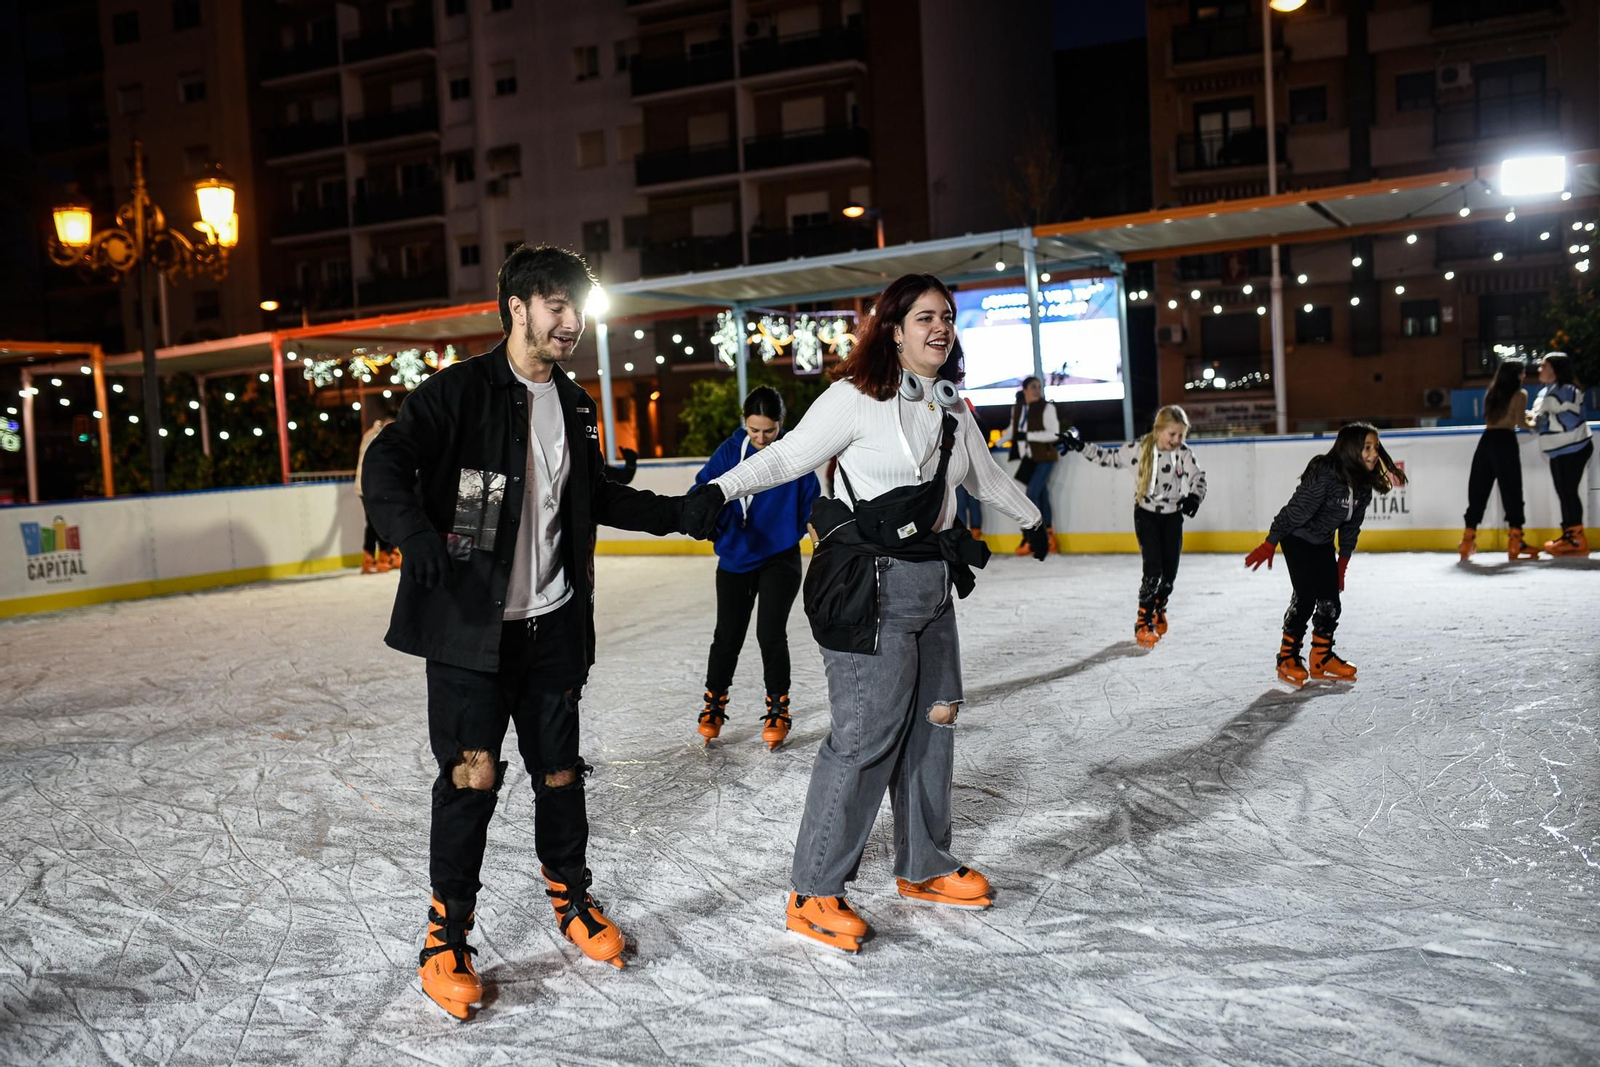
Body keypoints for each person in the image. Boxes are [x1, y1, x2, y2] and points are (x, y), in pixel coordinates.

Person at [362, 245, 694, 1019]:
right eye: (555, 304)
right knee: (471, 777)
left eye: (578, 307)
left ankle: (571, 896)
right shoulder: (458, 393)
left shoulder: (573, 405)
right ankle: (446, 934)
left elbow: (598, 494)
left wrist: (680, 512)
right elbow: (386, 464)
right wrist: (413, 534)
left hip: (552, 628)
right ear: (516, 307)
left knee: (561, 774)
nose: (570, 321)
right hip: (471, 637)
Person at [680, 273, 1050, 953]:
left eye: (946, 316)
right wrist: (719, 490)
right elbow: (788, 455)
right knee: (864, 735)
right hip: (868, 588)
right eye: (924, 317)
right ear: (894, 329)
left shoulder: (950, 406)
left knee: (935, 720)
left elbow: (985, 476)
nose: (940, 328)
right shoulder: (854, 397)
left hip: (933, 584)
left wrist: (1032, 518)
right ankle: (813, 890)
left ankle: (925, 865)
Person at [693, 386, 820, 749]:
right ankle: (714, 705)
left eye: (770, 430)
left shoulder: (795, 454)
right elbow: (702, 491)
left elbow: (812, 508)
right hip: (736, 557)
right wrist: (709, 522)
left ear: (781, 424)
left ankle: (779, 709)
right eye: (754, 430)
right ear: (744, 423)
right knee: (727, 635)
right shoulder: (730, 451)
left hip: (780, 557)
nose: (762, 438)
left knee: (770, 633)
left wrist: (822, 549)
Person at [1243, 422, 1407, 687]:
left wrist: (1342, 565)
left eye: (1376, 447)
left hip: (1322, 542)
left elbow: (1351, 528)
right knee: (1306, 597)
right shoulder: (1326, 474)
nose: (1374, 453)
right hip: (1297, 538)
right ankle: (1287, 657)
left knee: (1331, 602)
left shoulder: (1363, 485)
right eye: (1367, 447)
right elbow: (1295, 511)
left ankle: (1321, 657)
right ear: (1351, 449)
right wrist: (1270, 543)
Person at [1060, 405, 1206, 645]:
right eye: (1172, 434)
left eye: (1181, 435)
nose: (1177, 440)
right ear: (1159, 430)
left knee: (1169, 574)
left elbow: (1198, 477)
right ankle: (1143, 621)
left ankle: (1159, 606)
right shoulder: (1137, 450)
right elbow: (1107, 457)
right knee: (1153, 569)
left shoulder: (1183, 453)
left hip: (1173, 517)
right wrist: (1080, 446)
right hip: (1146, 516)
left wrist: (1194, 497)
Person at [1459, 359, 1539, 562]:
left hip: (1486, 442)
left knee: (1478, 490)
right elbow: (1520, 422)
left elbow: (1496, 417)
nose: (1524, 376)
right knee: (1512, 490)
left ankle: (1467, 541)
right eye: (1522, 373)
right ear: (1516, 375)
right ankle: (1515, 541)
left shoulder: (1492, 393)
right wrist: (1536, 422)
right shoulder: (1520, 394)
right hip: (1505, 442)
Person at [1527, 351, 1592, 556]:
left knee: (1568, 492)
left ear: (1555, 369)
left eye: (1543, 366)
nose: (1539, 370)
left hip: (1574, 447)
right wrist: (1536, 419)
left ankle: (1576, 539)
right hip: (1558, 450)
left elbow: (1570, 419)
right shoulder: (1545, 392)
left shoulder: (1569, 390)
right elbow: (1540, 420)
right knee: (1564, 492)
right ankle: (1569, 535)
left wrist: (1544, 419)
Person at [1005, 376, 1059, 555]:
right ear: (1025, 390)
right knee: (1041, 495)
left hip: (1045, 457)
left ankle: (1034, 537)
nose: (1037, 390)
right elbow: (1012, 430)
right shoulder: (1018, 408)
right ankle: (1048, 538)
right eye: (1033, 387)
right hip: (1029, 459)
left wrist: (1029, 436)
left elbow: (1054, 434)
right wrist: (994, 444)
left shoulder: (1047, 408)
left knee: (1032, 494)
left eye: (1039, 387)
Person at [356, 417, 400, 573]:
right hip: (370, 487)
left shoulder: (374, 437)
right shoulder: (375, 438)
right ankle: (380, 555)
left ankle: (387, 553)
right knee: (377, 522)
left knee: (383, 521)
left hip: (374, 486)